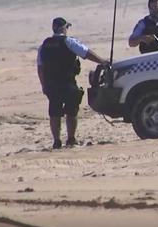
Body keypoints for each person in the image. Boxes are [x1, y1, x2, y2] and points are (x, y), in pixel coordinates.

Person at [37, 17, 109, 149]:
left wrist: (44, 85)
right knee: (72, 112)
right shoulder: (69, 42)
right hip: (68, 83)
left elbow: (40, 68)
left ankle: (57, 141)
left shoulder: (44, 45)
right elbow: (86, 53)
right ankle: (71, 139)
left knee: (54, 113)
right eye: (66, 27)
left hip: (52, 85)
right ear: (63, 28)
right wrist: (102, 61)